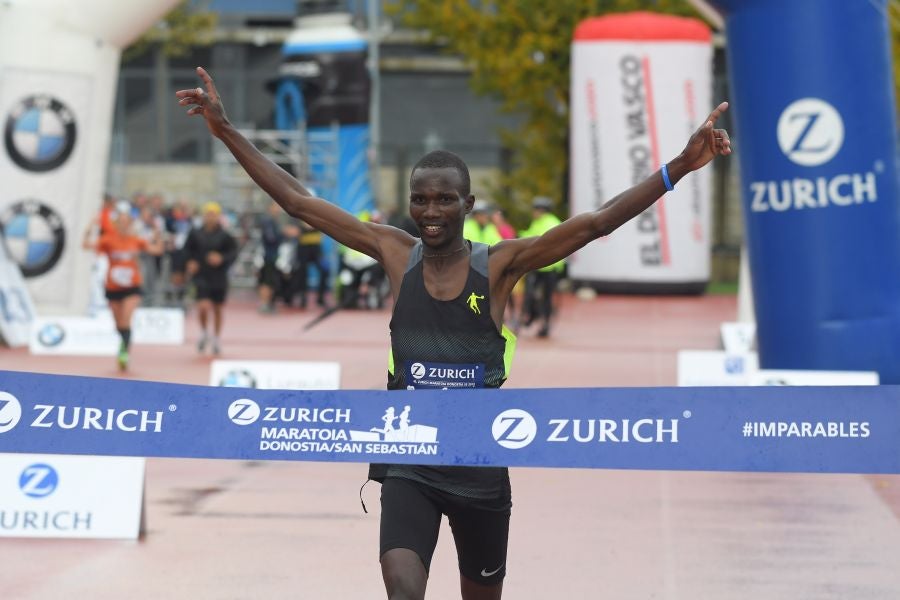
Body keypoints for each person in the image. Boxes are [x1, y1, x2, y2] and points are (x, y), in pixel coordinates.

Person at [177, 66, 731, 600]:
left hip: (479, 467)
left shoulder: (501, 265)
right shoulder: (395, 252)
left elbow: (595, 223)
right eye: (421, 198)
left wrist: (679, 166)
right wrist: (225, 130)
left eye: (445, 199)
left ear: (468, 204)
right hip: (408, 461)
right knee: (403, 587)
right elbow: (298, 202)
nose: (430, 210)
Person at [83, 201, 163, 371]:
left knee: (126, 320)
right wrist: (90, 226)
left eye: (127, 221)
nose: (124, 225)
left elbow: (156, 250)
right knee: (119, 325)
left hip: (132, 286)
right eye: (120, 221)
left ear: (131, 223)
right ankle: (123, 343)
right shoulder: (108, 240)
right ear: (115, 223)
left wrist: (157, 234)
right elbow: (85, 245)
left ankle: (124, 352)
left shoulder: (136, 240)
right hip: (113, 287)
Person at [184, 201, 238, 355]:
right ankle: (203, 332)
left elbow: (233, 252)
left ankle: (216, 337)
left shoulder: (225, 235)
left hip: (219, 276)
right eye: (208, 214)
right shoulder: (195, 233)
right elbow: (187, 250)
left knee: (218, 308)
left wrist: (221, 258)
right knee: (203, 306)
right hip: (201, 275)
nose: (210, 218)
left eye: (213, 215)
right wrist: (190, 262)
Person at [520, 196, 564, 338]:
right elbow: (530, 235)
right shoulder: (540, 222)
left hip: (546, 266)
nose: (533, 212)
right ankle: (537, 317)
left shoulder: (549, 223)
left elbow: (538, 241)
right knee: (537, 295)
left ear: (542, 210)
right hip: (542, 266)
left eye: (535, 209)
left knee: (540, 296)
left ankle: (541, 321)